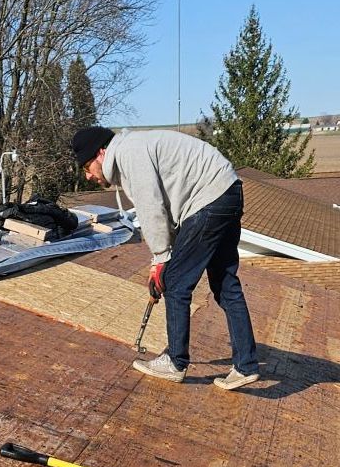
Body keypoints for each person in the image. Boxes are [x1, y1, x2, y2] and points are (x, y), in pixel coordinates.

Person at [71, 124, 260, 391]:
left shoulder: (129, 155)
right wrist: (160, 260)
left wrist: (161, 259)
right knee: (226, 285)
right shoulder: (134, 147)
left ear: (101, 153)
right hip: (227, 192)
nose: (88, 176)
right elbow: (170, 217)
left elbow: (152, 209)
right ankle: (246, 366)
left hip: (207, 200)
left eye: (86, 166)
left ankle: (175, 361)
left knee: (177, 283)